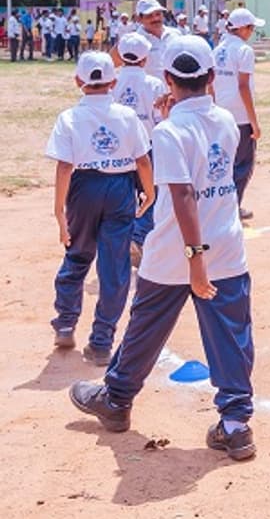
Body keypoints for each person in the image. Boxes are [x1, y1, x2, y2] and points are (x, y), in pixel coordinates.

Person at [70, 35, 258, 462]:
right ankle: (235, 423)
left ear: (167, 79)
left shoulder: (171, 131)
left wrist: (194, 260)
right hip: (226, 244)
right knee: (231, 334)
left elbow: (184, 196)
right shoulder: (227, 121)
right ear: (211, 77)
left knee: (147, 324)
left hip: (179, 250)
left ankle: (117, 399)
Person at [45, 51, 154, 365]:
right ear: (113, 81)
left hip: (83, 188)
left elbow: (65, 167)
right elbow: (142, 160)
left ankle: (66, 322)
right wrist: (149, 192)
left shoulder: (68, 117)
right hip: (121, 188)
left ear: (78, 81)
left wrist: (59, 213)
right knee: (114, 265)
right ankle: (102, 340)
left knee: (77, 254)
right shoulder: (126, 115)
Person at [113, 32, 168, 262]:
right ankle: (140, 234)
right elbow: (160, 119)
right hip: (147, 146)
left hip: (120, 149)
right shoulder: (154, 84)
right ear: (145, 59)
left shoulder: (113, 82)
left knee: (127, 194)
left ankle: (124, 237)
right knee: (149, 193)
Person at [211, 7, 265, 221]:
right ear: (242, 28)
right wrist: (254, 122)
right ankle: (232, 208)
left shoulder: (218, 49)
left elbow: (211, 84)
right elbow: (243, 87)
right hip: (239, 116)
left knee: (224, 163)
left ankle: (223, 208)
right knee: (242, 166)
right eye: (251, 27)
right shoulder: (244, 51)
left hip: (221, 113)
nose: (252, 32)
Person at [127, 0, 180, 82]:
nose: (155, 19)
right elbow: (113, 63)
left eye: (158, 14)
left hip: (173, 93)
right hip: (148, 93)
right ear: (139, 19)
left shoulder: (176, 35)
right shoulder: (134, 41)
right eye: (149, 16)